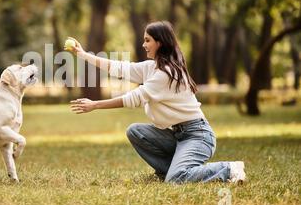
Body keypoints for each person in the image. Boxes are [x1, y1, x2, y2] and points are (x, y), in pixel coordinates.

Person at [68, 21, 246, 184]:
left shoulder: (166, 74)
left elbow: (134, 98)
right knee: (135, 131)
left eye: (147, 40)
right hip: (177, 135)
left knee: (176, 179)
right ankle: (171, 171)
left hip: (198, 136)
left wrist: (95, 105)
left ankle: (229, 169)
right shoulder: (150, 67)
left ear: (159, 42)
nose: (144, 45)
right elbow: (118, 68)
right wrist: (83, 55)